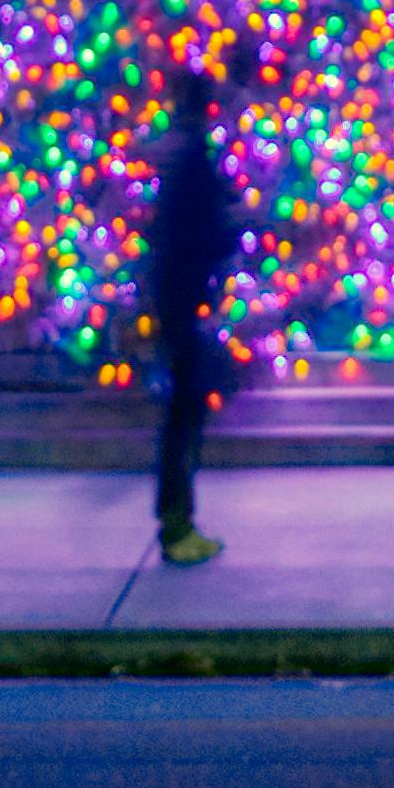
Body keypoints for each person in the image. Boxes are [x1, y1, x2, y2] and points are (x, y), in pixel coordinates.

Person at [149, 66, 238, 568]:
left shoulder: (179, 156)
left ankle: (179, 520)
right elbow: (207, 231)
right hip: (185, 301)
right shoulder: (196, 159)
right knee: (185, 415)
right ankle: (177, 525)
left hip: (174, 298)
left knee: (183, 413)